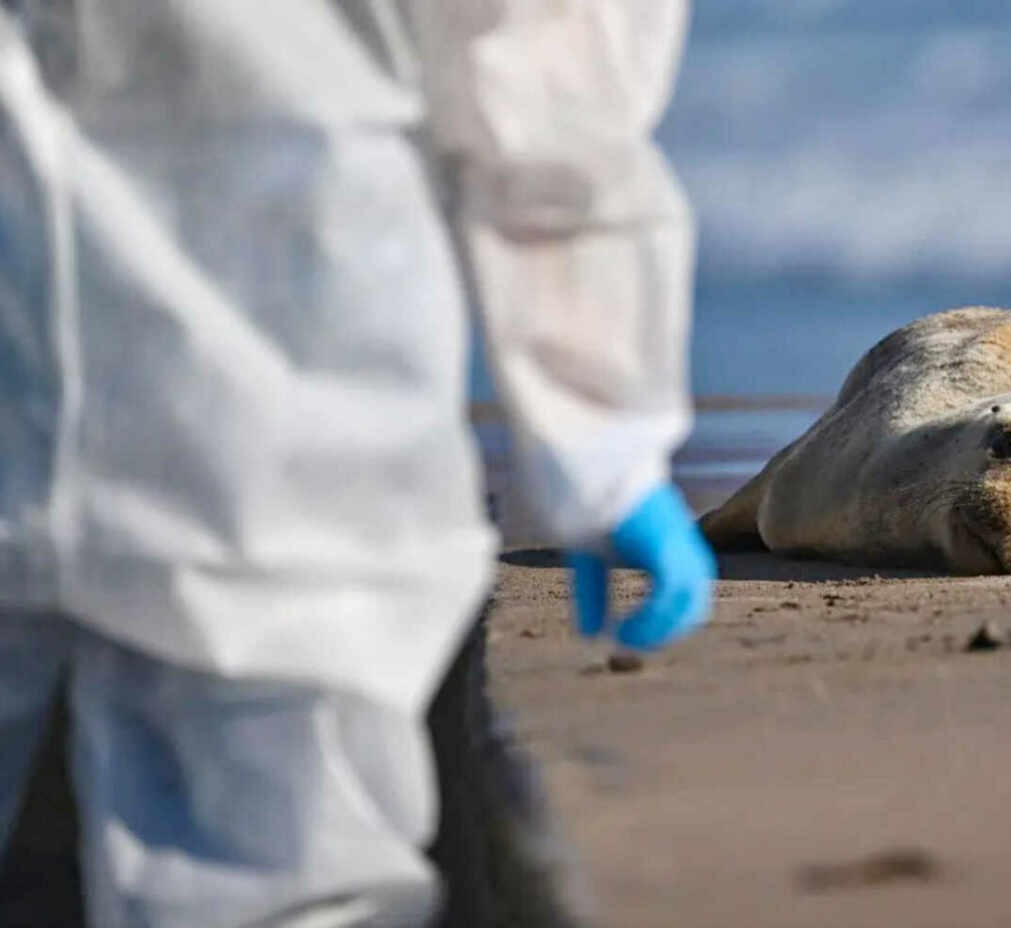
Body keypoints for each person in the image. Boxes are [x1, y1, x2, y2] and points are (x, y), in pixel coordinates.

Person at [0, 2, 714, 925]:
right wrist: (601, 427)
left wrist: (601, 439)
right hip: (286, 419)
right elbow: (533, 75)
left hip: (278, 410)